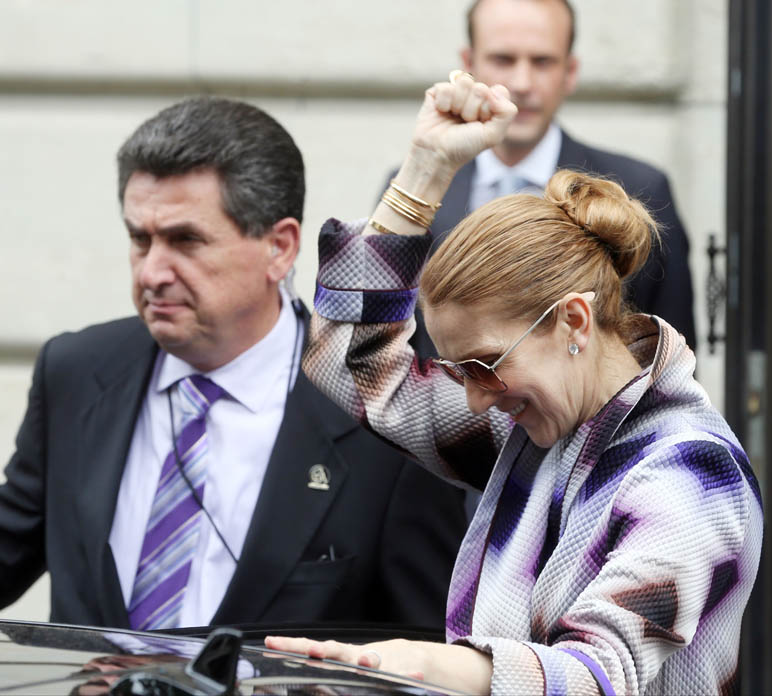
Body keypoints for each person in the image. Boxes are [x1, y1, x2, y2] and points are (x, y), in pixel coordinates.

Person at [267, 73, 762, 694]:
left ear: (573, 320)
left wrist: (421, 666)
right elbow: (348, 361)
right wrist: (424, 171)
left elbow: (595, 675)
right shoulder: (543, 428)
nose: (476, 399)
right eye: (459, 371)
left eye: (484, 364)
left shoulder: (690, 474)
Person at [0, 97, 466, 631]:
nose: (152, 272)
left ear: (280, 248)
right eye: (139, 239)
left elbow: (424, 645)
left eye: (185, 241)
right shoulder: (76, 372)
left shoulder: (381, 416)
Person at [391, 0, 696, 362]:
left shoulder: (641, 189)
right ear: (468, 64)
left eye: (542, 62)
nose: (522, 83)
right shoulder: (415, 191)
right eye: (503, 59)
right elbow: (384, 343)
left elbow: (673, 360)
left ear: (570, 71)